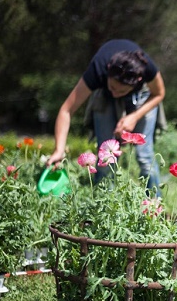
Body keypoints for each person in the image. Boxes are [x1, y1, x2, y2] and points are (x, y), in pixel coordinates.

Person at [46, 39, 165, 192]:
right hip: (104, 96)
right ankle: (104, 203)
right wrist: (59, 149)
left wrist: (134, 116)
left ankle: (154, 206)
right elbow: (66, 110)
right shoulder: (98, 69)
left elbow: (159, 94)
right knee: (106, 155)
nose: (116, 93)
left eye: (121, 91)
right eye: (113, 87)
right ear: (108, 71)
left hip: (142, 98)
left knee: (145, 155)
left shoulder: (148, 68)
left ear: (138, 80)